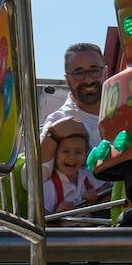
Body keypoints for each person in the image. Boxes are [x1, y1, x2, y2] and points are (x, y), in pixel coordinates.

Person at [39, 42, 106, 172]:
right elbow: (29, 178)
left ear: (105, 71)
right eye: (79, 73)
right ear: (67, 79)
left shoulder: (125, 108)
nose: (88, 80)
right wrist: (53, 134)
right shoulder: (58, 120)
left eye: (94, 70)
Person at [42, 131, 105, 214]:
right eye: (65, 151)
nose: (72, 157)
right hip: (64, 227)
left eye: (78, 152)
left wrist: (97, 198)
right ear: (55, 154)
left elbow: (108, 198)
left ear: (85, 156)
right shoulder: (49, 186)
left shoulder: (89, 174)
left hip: (95, 225)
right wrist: (59, 213)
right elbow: (44, 221)